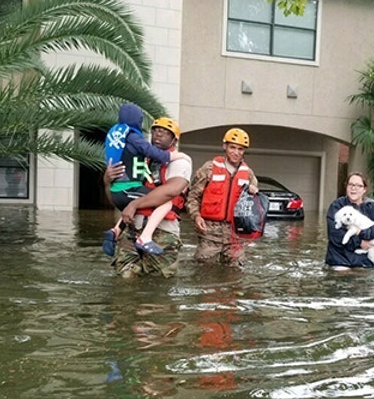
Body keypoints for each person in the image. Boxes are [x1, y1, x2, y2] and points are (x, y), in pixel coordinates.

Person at [104, 117, 192, 278]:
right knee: (124, 283)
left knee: (158, 286)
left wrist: (135, 204)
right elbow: (116, 201)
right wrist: (107, 182)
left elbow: (170, 191)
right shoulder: (139, 160)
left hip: (163, 231)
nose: (158, 135)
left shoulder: (180, 162)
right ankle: (117, 231)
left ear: (174, 140)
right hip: (132, 229)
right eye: (155, 131)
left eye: (165, 133)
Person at [185, 128, 259, 267]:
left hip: (236, 236)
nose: (236, 152)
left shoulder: (248, 175)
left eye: (240, 149)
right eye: (232, 147)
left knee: (235, 275)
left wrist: (253, 193)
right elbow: (193, 197)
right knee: (204, 271)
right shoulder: (208, 169)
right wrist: (196, 216)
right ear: (225, 146)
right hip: (209, 233)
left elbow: (254, 208)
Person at [325, 172, 374, 270]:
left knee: (364, 280)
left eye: (358, 185)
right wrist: (359, 242)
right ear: (346, 187)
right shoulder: (336, 206)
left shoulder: (372, 206)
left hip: (364, 261)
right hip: (339, 260)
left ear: (364, 189)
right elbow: (334, 235)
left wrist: (362, 233)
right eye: (351, 184)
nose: (354, 188)